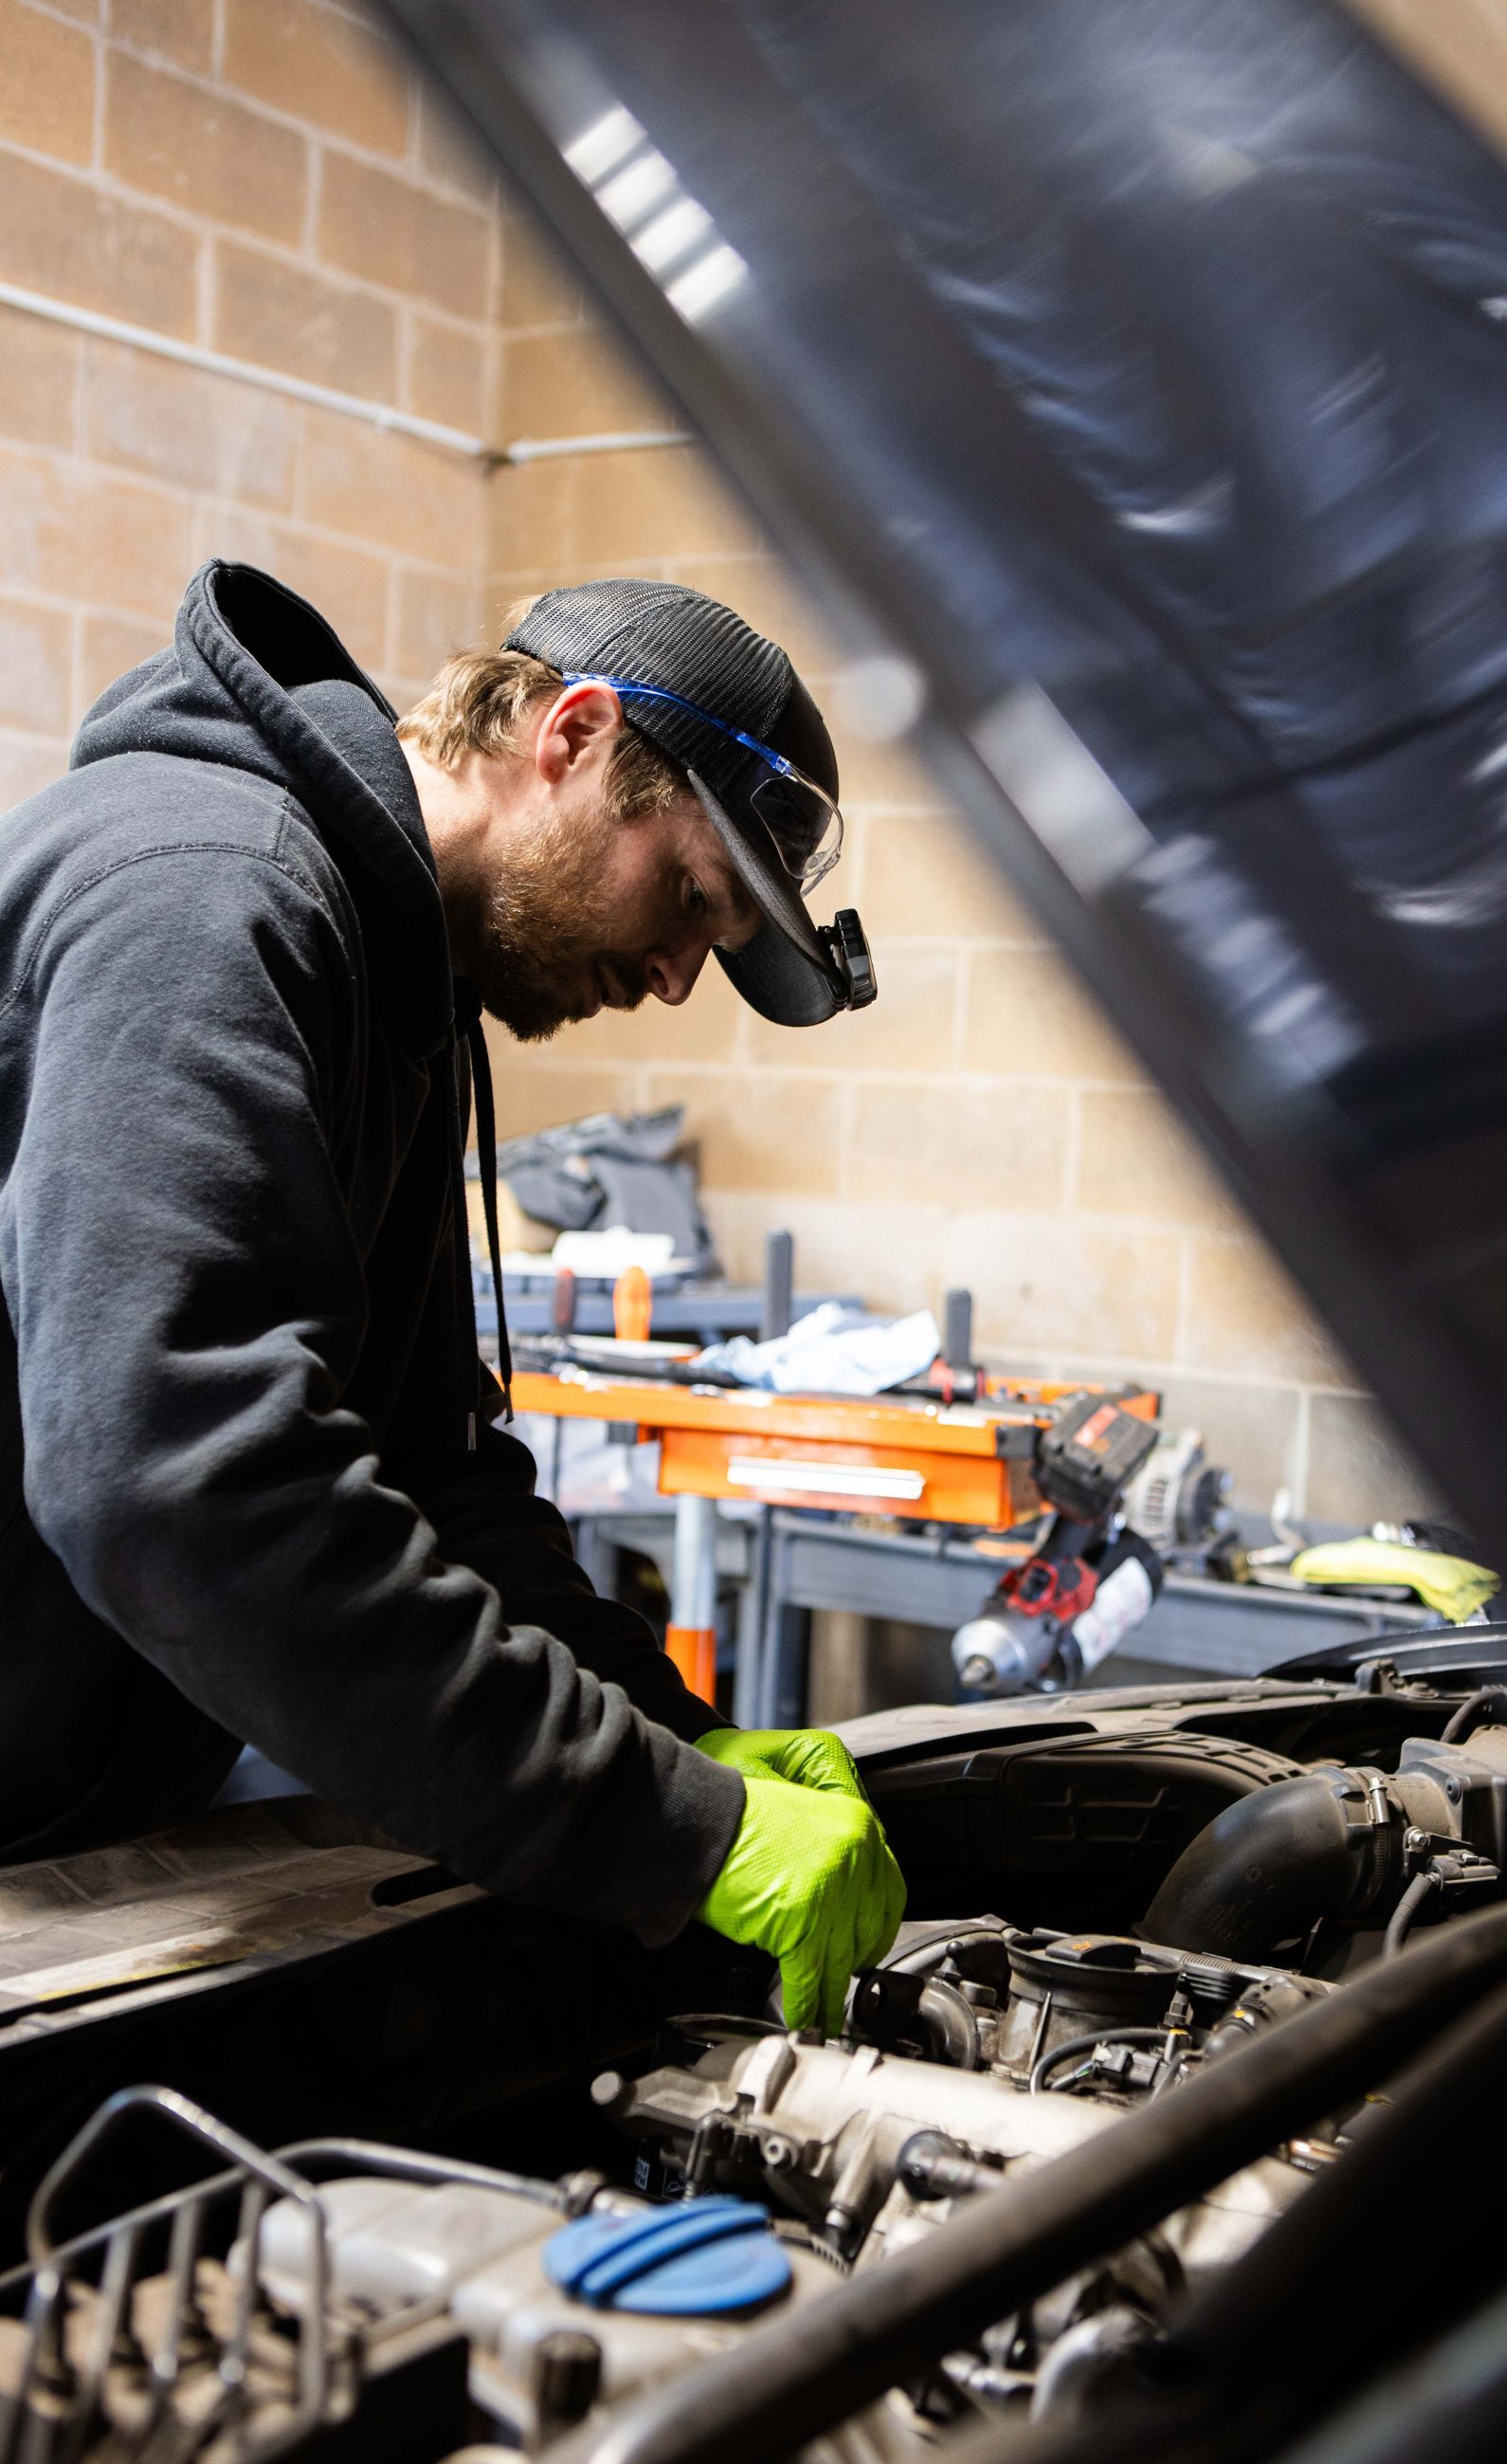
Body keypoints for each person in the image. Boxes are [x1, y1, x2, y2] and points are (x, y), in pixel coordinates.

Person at [0, 558, 901, 2033]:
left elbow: (432, 1471)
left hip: (89, 1815)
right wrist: (668, 1830)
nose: (680, 975)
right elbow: (176, 1484)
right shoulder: (207, 901)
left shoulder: (391, 987)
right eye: (689, 895)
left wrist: (680, 1743)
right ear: (575, 735)